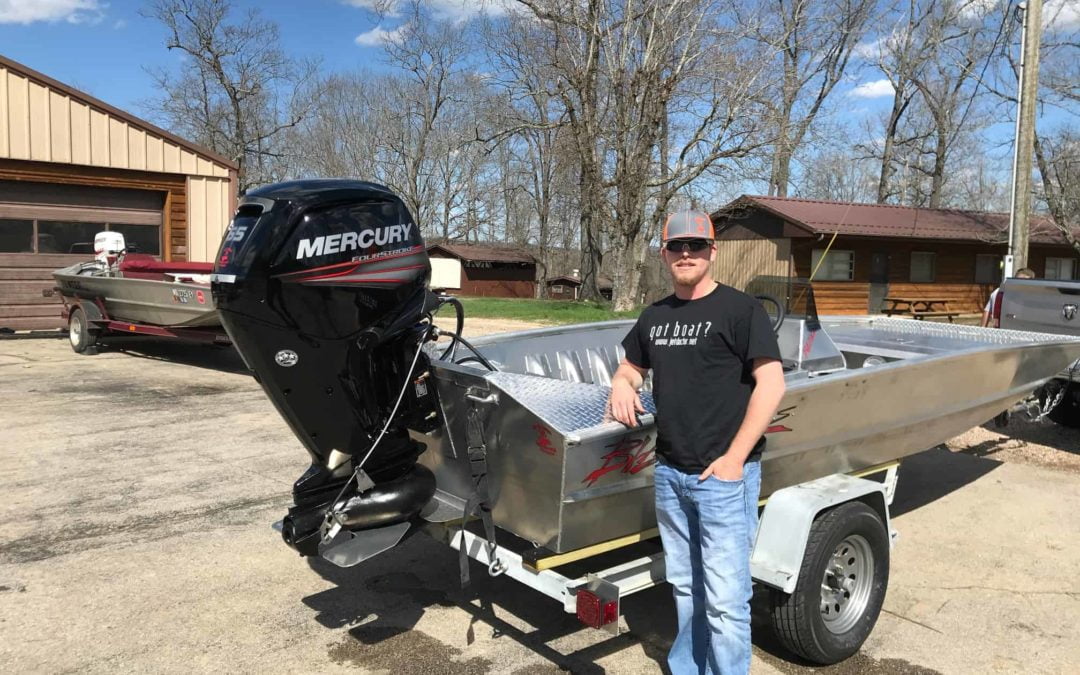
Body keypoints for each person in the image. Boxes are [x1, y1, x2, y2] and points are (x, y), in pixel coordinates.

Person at [608, 210, 786, 675]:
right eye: (677, 246)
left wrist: (734, 459)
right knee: (686, 588)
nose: (686, 254)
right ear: (664, 254)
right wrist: (622, 383)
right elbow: (631, 365)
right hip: (670, 473)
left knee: (726, 600)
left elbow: (772, 385)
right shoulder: (655, 316)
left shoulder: (740, 309)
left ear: (712, 251)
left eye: (696, 246)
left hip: (723, 480)